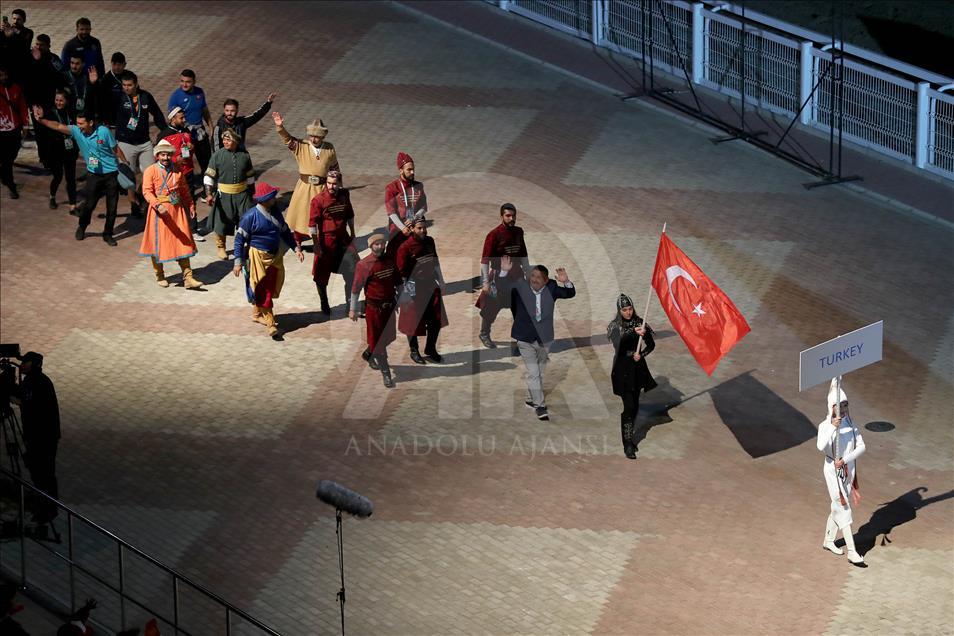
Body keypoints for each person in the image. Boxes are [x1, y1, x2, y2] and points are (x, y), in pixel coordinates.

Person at [34, 104, 127, 245]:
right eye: (77, 123)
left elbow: (115, 149)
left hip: (111, 175)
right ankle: (82, 227)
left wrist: (124, 163)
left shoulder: (104, 132)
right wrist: (41, 120)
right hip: (94, 175)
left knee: (112, 207)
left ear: (90, 122)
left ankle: (107, 234)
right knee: (89, 205)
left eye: (81, 123)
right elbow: (58, 126)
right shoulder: (77, 131)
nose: (78, 126)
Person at [232, 182, 305, 338]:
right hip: (258, 257)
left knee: (270, 287)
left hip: (275, 256)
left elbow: (285, 232)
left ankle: (256, 313)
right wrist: (238, 262)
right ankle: (271, 324)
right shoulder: (250, 217)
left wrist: (296, 248)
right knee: (262, 288)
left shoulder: (276, 212)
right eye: (272, 196)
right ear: (264, 200)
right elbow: (239, 240)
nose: (275, 198)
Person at [510, 264, 576, 421]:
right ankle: (540, 406)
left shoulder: (552, 287)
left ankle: (531, 398)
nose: (534, 279)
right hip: (524, 337)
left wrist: (566, 281)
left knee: (538, 372)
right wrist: (504, 271)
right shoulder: (521, 287)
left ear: (546, 280)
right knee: (533, 372)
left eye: (538, 277)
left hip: (545, 339)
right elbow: (507, 292)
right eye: (532, 276)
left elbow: (569, 293)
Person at [138, 139, 203, 289]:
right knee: (157, 243)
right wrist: (157, 205)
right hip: (159, 213)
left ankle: (188, 278)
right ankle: (159, 275)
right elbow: (146, 192)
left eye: (168, 155)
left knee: (183, 241)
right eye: (162, 155)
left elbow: (184, 189)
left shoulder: (178, 169)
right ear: (157, 156)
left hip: (177, 210)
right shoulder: (151, 171)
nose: (165, 158)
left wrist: (191, 204)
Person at [817, 377, 867, 567]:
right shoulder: (825, 426)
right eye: (840, 407)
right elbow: (820, 446)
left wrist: (845, 460)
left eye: (845, 406)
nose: (843, 410)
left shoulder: (851, 425)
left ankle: (829, 540)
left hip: (847, 469)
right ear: (831, 408)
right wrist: (832, 427)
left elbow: (862, 447)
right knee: (843, 507)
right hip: (832, 471)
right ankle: (853, 552)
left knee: (837, 506)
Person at [100, 70, 165, 217]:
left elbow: (158, 115)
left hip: (144, 142)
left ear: (136, 84)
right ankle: (133, 203)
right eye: (124, 85)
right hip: (125, 143)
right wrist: (93, 84)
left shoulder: (146, 97)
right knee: (128, 175)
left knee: (151, 172)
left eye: (129, 85)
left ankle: (142, 196)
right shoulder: (119, 97)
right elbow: (101, 97)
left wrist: (167, 132)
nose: (126, 88)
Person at [272, 111, 339, 244]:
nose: (313, 139)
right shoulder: (301, 146)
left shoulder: (329, 148)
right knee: (301, 214)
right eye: (311, 136)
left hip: (321, 188)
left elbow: (334, 168)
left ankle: (319, 241)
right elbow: (288, 140)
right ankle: (297, 239)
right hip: (304, 187)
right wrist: (280, 127)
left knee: (321, 215)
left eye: (317, 136)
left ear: (322, 137)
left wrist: (337, 186)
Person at [10, 351, 61, 524]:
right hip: (42, 435)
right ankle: (46, 506)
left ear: (33, 364)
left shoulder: (36, 382)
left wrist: (8, 387)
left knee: (43, 473)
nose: (22, 365)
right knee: (42, 473)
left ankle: (47, 509)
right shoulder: (36, 380)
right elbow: (22, 398)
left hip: (42, 437)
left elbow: (25, 400)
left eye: (25, 362)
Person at [606, 293, 657, 459]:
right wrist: (632, 333)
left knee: (635, 406)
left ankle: (629, 437)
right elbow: (618, 345)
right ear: (619, 310)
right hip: (622, 370)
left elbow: (651, 345)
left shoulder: (640, 322)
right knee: (628, 407)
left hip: (637, 370)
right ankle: (627, 443)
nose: (628, 312)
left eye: (630, 309)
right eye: (624, 310)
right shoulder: (615, 326)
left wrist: (641, 354)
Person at [351, 234, 402, 388]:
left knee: (387, 337)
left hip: (390, 306)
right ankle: (386, 373)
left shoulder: (389, 261)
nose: (380, 246)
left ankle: (368, 353)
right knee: (379, 341)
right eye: (377, 244)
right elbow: (355, 289)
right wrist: (352, 309)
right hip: (374, 309)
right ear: (370, 246)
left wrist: (403, 300)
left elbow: (398, 282)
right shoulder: (363, 264)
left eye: (382, 243)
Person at [477, 202, 529, 349]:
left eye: (513, 216)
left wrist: (528, 274)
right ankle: (484, 333)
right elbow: (485, 261)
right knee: (491, 307)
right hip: (499, 277)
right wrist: (486, 282)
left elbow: (524, 256)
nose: (511, 218)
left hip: (517, 277)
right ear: (502, 216)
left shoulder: (519, 232)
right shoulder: (493, 235)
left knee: (520, 309)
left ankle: (521, 339)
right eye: (508, 215)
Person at [396, 214, 447, 364]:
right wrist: (405, 294)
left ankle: (430, 349)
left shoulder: (430, 241)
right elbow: (400, 273)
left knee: (436, 320)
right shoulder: (404, 248)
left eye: (425, 227)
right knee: (412, 322)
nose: (423, 230)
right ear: (412, 228)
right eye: (419, 228)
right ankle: (414, 350)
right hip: (413, 288)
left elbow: (435, 262)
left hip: (431, 285)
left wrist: (442, 281)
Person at [308, 169, 356, 316]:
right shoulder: (318, 200)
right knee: (321, 277)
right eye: (329, 183)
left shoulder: (344, 194)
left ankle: (350, 304)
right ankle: (324, 303)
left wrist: (353, 233)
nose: (331, 186)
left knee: (353, 271)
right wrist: (316, 245)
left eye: (334, 184)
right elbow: (312, 225)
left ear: (340, 183)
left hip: (343, 239)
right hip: (326, 242)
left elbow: (350, 214)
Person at [203, 128, 254, 260]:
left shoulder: (245, 155)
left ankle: (246, 246)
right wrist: (209, 194)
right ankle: (221, 247)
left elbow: (250, 177)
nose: (225, 142)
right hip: (224, 195)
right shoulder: (218, 155)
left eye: (228, 139)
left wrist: (252, 194)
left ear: (236, 141)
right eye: (224, 139)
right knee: (221, 223)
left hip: (243, 195)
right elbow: (209, 176)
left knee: (246, 221)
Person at [155, 106, 203, 241]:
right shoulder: (164, 136)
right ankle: (174, 229)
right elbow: (157, 156)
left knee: (191, 200)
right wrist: (176, 160)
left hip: (188, 172)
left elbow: (190, 149)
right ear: (172, 119)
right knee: (175, 202)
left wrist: (192, 148)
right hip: (173, 175)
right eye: (181, 118)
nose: (184, 120)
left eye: (183, 117)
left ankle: (193, 230)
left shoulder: (186, 131)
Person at [167, 69, 212, 200]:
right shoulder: (176, 96)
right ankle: (186, 192)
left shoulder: (200, 92)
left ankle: (207, 191)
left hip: (200, 133)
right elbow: (172, 117)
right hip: (185, 136)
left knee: (206, 162)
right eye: (182, 81)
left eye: (188, 82)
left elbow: (204, 110)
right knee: (185, 163)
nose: (184, 84)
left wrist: (210, 126)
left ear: (194, 82)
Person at [383, 151, 427, 257]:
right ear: (401, 170)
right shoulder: (392, 188)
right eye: (409, 170)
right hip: (398, 227)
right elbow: (391, 212)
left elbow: (424, 207)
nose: (412, 172)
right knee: (394, 254)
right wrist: (403, 228)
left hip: (415, 224)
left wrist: (414, 218)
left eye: (413, 169)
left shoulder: (418, 186)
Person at [43, 89, 79, 212]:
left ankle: (73, 205)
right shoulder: (50, 113)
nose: (59, 103)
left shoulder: (71, 113)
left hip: (70, 151)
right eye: (57, 100)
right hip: (55, 151)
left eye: (61, 100)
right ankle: (52, 196)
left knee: (71, 178)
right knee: (57, 177)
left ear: (66, 101)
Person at [212, 93, 276, 152]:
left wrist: (268, 103)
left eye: (232, 111)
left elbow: (256, 116)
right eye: (227, 111)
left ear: (237, 110)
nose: (229, 113)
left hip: (240, 155)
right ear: (224, 110)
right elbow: (216, 147)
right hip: (225, 158)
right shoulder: (219, 127)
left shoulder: (241, 122)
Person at [0, 65, 29, 199]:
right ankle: (11, 184)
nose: (4, 78)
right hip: (2, 131)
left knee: (13, 153)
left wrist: (25, 124)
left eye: (5, 74)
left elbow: (23, 107)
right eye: (1, 75)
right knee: (7, 159)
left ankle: (4, 174)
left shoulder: (16, 88)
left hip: (15, 128)